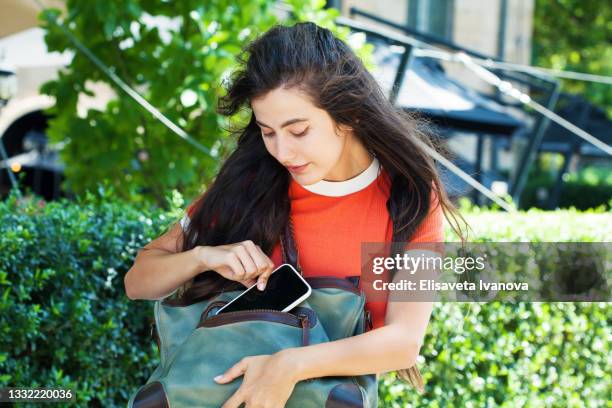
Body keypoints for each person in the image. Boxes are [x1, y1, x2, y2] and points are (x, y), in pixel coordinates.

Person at [124, 22, 465, 408]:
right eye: (268, 132)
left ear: (348, 114)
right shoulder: (248, 186)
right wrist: (204, 256)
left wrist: (288, 365)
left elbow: (403, 343)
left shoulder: (413, 198)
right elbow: (139, 282)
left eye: (298, 130)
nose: (282, 152)